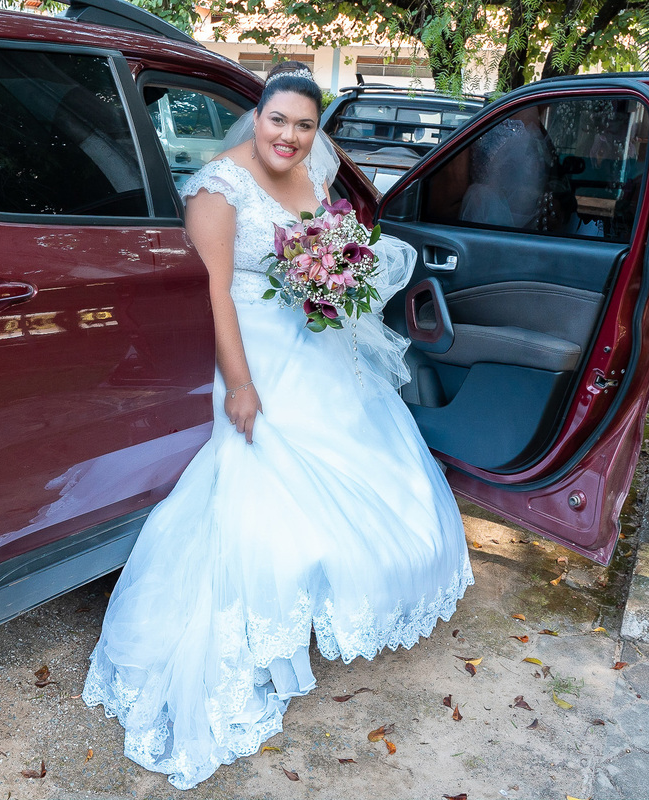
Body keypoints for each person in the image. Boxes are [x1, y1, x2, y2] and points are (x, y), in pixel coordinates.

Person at [82, 61, 473, 791]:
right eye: (278, 120)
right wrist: (240, 386)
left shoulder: (314, 174)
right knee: (260, 489)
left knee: (367, 457)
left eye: (305, 125)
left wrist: (333, 277)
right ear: (257, 117)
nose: (289, 136)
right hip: (251, 348)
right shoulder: (218, 188)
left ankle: (324, 602)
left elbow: (326, 249)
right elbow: (214, 294)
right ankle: (266, 620)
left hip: (312, 342)